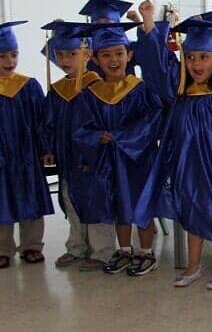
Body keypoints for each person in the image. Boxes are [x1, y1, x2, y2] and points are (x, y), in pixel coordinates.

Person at [135, 14, 212, 290]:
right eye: (191, 57)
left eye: (204, 57)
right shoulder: (182, 97)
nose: (196, 64)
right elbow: (159, 68)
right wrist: (149, 25)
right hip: (185, 166)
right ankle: (194, 265)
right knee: (189, 214)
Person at [69, 22, 163, 277]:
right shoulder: (90, 95)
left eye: (119, 53)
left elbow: (152, 119)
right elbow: (80, 128)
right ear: (96, 60)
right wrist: (98, 135)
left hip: (137, 160)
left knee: (139, 206)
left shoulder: (141, 89)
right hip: (108, 160)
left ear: (129, 55)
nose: (114, 59)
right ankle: (124, 249)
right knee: (120, 207)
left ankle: (146, 252)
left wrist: (123, 136)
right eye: (106, 54)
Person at [40, 21, 117, 271]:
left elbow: (102, 124)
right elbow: (48, 123)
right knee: (70, 201)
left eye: (72, 54)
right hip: (67, 157)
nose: (65, 59)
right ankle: (76, 246)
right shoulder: (58, 90)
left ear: (86, 54)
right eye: (60, 54)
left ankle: (103, 251)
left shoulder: (96, 85)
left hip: (93, 158)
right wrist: (48, 148)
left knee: (96, 202)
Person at [0, 21, 53, 269]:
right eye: (2, 56)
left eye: (13, 54)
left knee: (30, 197)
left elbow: (42, 121)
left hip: (26, 155)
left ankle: (32, 245)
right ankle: (3, 248)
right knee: (2, 199)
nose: (9, 61)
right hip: (1, 157)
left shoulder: (28, 86)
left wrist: (45, 149)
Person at [79, 0, 137, 77]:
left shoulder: (128, 46)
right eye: (98, 24)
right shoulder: (87, 49)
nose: (104, 28)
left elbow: (150, 50)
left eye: (108, 23)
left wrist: (139, 22)